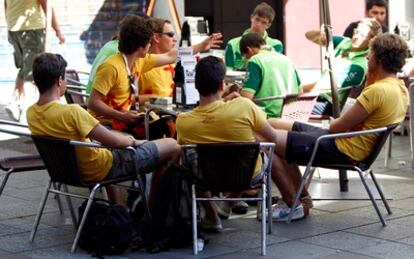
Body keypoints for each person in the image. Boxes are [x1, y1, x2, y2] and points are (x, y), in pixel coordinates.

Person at [268, 33, 409, 220]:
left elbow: (336, 127)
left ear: (380, 59)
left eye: (370, 54)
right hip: (343, 144)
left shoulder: (377, 91)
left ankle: (293, 203)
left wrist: (369, 83)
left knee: (266, 139)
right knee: (270, 123)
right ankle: (302, 199)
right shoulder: (400, 88)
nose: (367, 58)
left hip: (342, 149)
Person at [27, 52, 181, 207]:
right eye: (65, 78)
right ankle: (154, 208)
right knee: (172, 145)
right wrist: (135, 141)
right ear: (59, 81)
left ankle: (120, 213)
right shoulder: (72, 112)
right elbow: (115, 142)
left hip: (67, 171)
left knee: (112, 143)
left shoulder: (32, 113)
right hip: (99, 168)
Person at [176, 56, 284, 230]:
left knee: (190, 158)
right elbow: (274, 138)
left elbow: (208, 120)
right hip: (247, 175)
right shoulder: (243, 106)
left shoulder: (183, 121)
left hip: (207, 177)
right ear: (222, 85)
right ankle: (229, 202)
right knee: (254, 150)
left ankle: (211, 215)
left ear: (195, 86)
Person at [87, 14, 222, 140]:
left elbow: (170, 56)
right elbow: (93, 103)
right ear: (141, 46)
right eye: (149, 42)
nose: (151, 45)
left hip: (123, 122)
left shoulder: (139, 61)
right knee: (170, 133)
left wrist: (201, 46)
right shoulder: (111, 67)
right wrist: (121, 116)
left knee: (170, 128)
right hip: (104, 126)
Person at [303, 18, 382, 115]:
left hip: (330, 105)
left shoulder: (360, 66)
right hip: (317, 97)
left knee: (285, 106)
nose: (356, 36)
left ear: (371, 40)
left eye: (362, 35)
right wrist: (322, 33)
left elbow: (325, 86)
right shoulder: (345, 42)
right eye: (356, 32)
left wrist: (296, 88)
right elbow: (308, 35)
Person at [4, 0, 65, 122]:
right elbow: (46, 4)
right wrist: (57, 30)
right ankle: (28, 114)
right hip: (31, 28)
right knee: (33, 71)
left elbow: (5, 4)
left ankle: (14, 102)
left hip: (13, 28)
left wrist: (10, 23)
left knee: (25, 68)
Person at [239, 32, 301, 118]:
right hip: (293, 115)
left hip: (268, 117)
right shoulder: (287, 59)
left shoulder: (255, 60)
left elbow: (245, 99)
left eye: (246, 56)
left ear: (249, 50)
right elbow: (300, 91)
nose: (247, 59)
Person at [225, 2, 283, 71]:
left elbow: (275, 70)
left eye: (263, 22)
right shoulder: (232, 44)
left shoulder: (276, 45)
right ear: (251, 17)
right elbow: (228, 72)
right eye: (257, 19)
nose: (258, 24)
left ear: (268, 25)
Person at [138, 18, 177, 104]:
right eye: (170, 35)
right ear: (156, 37)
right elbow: (128, 99)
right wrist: (153, 98)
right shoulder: (138, 63)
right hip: (150, 116)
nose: (175, 39)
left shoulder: (174, 64)